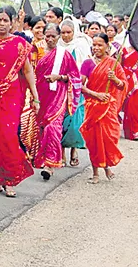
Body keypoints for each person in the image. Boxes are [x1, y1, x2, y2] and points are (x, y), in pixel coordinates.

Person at [0, 7, 39, 197]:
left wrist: (35, 96)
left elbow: (28, 71)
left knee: (7, 136)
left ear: (12, 22)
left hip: (11, 94)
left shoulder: (19, 44)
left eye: (6, 20)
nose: (2, 24)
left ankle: (10, 179)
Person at [34, 23, 82, 179]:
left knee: (53, 128)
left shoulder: (64, 54)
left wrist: (59, 77)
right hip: (40, 96)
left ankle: (50, 164)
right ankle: (42, 157)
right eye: (47, 36)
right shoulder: (36, 52)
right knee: (42, 128)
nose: (49, 39)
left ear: (58, 37)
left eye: (53, 36)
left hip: (58, 97)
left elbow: (75, 77)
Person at [80, 33, 127, 184]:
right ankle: (95, 173)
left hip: (108, 107)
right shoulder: (87, 63)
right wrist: (95, 95)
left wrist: (114, 79)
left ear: (107, 46)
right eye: (94, 45)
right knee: (94, 140)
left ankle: (106, 167)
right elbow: (80, 86)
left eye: (100, 45)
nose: (96, 48)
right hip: (93, 106)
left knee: (108, 138)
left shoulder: (113, 64)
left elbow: (123, 85)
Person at [56, 18, 91, 167]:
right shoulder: (58, 45)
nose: (65, 36)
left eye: (68, 32)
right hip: (60, 88)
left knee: (75, 121)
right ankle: (62, 153)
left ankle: (74, 151)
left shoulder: (81, 45)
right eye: (63, 32)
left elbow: (86, 66)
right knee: (61, 121)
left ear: (74, 32)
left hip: (77, 89)